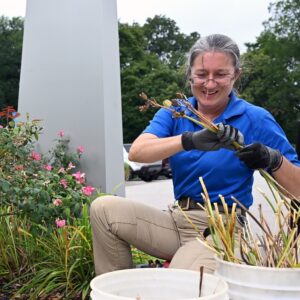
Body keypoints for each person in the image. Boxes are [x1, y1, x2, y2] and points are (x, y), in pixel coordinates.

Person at [90, 34, 300, 275]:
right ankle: (116, 290)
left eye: (220, 74)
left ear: (236, 76)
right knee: (103, 209)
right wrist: (189, 140)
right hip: (176, 220)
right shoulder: (177, 112)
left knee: (179, 281)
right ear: (190, 74)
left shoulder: (255, 118)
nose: (209, 84)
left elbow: (298, 190)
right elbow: (138, 151)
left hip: (221, 227)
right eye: (201, 74)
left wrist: (272, 159)